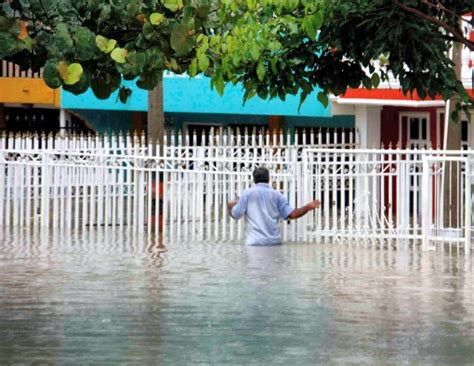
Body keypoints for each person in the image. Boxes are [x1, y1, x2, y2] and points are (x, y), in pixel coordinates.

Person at [227, 167, 320, 246]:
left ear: (254, 179)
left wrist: (230, 206)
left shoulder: (248, 194)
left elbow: (235, 215)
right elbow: (292, 215)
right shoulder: (277, 195)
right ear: (269, 179)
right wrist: (308, 207)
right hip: (274, 243)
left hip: (254, 243)